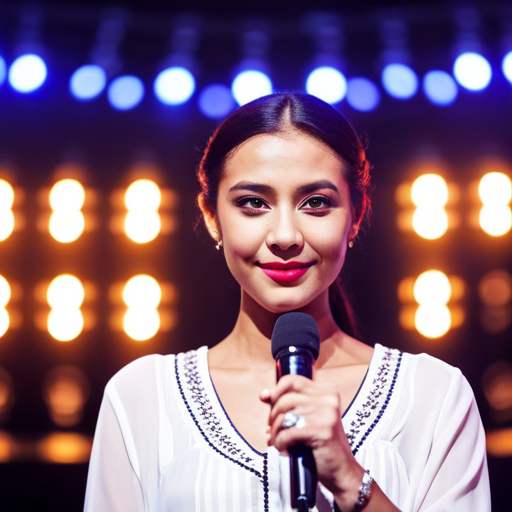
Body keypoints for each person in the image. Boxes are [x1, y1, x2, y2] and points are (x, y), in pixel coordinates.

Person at [83, 92, 491, 512]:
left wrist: (351, 480)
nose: (284, 236)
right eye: (253, 203)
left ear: (355, 215)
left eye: (315, 203)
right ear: (211, 216)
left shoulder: (434, 396)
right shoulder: (141, 397)